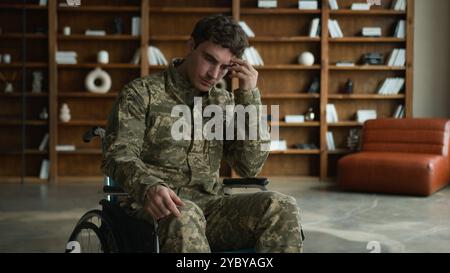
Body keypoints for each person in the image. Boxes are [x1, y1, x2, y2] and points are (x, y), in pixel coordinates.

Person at [102, 14, 304, 253]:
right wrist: (149, 187)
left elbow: (249, 166)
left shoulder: (224, 101)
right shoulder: (140, 93)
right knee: (183, 215)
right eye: (209, 59)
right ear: (191, 46)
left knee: (282, 206)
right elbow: (118, 154)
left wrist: (249, 97)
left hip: (212, 209)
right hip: (155, 209)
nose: (214, 74)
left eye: (225, 67)